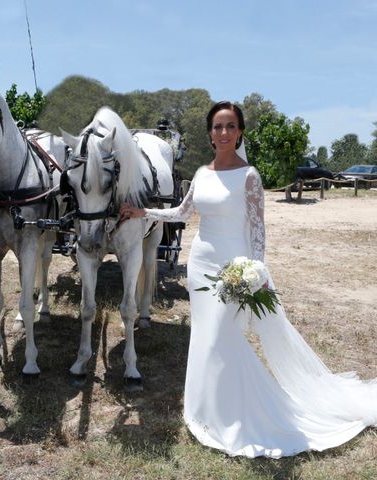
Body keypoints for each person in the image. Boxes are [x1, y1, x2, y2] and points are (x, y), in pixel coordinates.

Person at [119, 101, 377, 458]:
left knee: (223, 340)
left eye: (230, 126)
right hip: (201, 266)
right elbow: (182, 213)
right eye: (217, 127)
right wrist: (143, 211)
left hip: (233, 272)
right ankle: (206, 409)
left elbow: (258, 231)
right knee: (205, 339)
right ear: (209, 133)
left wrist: (257, 273)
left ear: (239, 132)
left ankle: (241, 416)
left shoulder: (250, 176)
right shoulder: (201, 174)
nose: (223, 133)